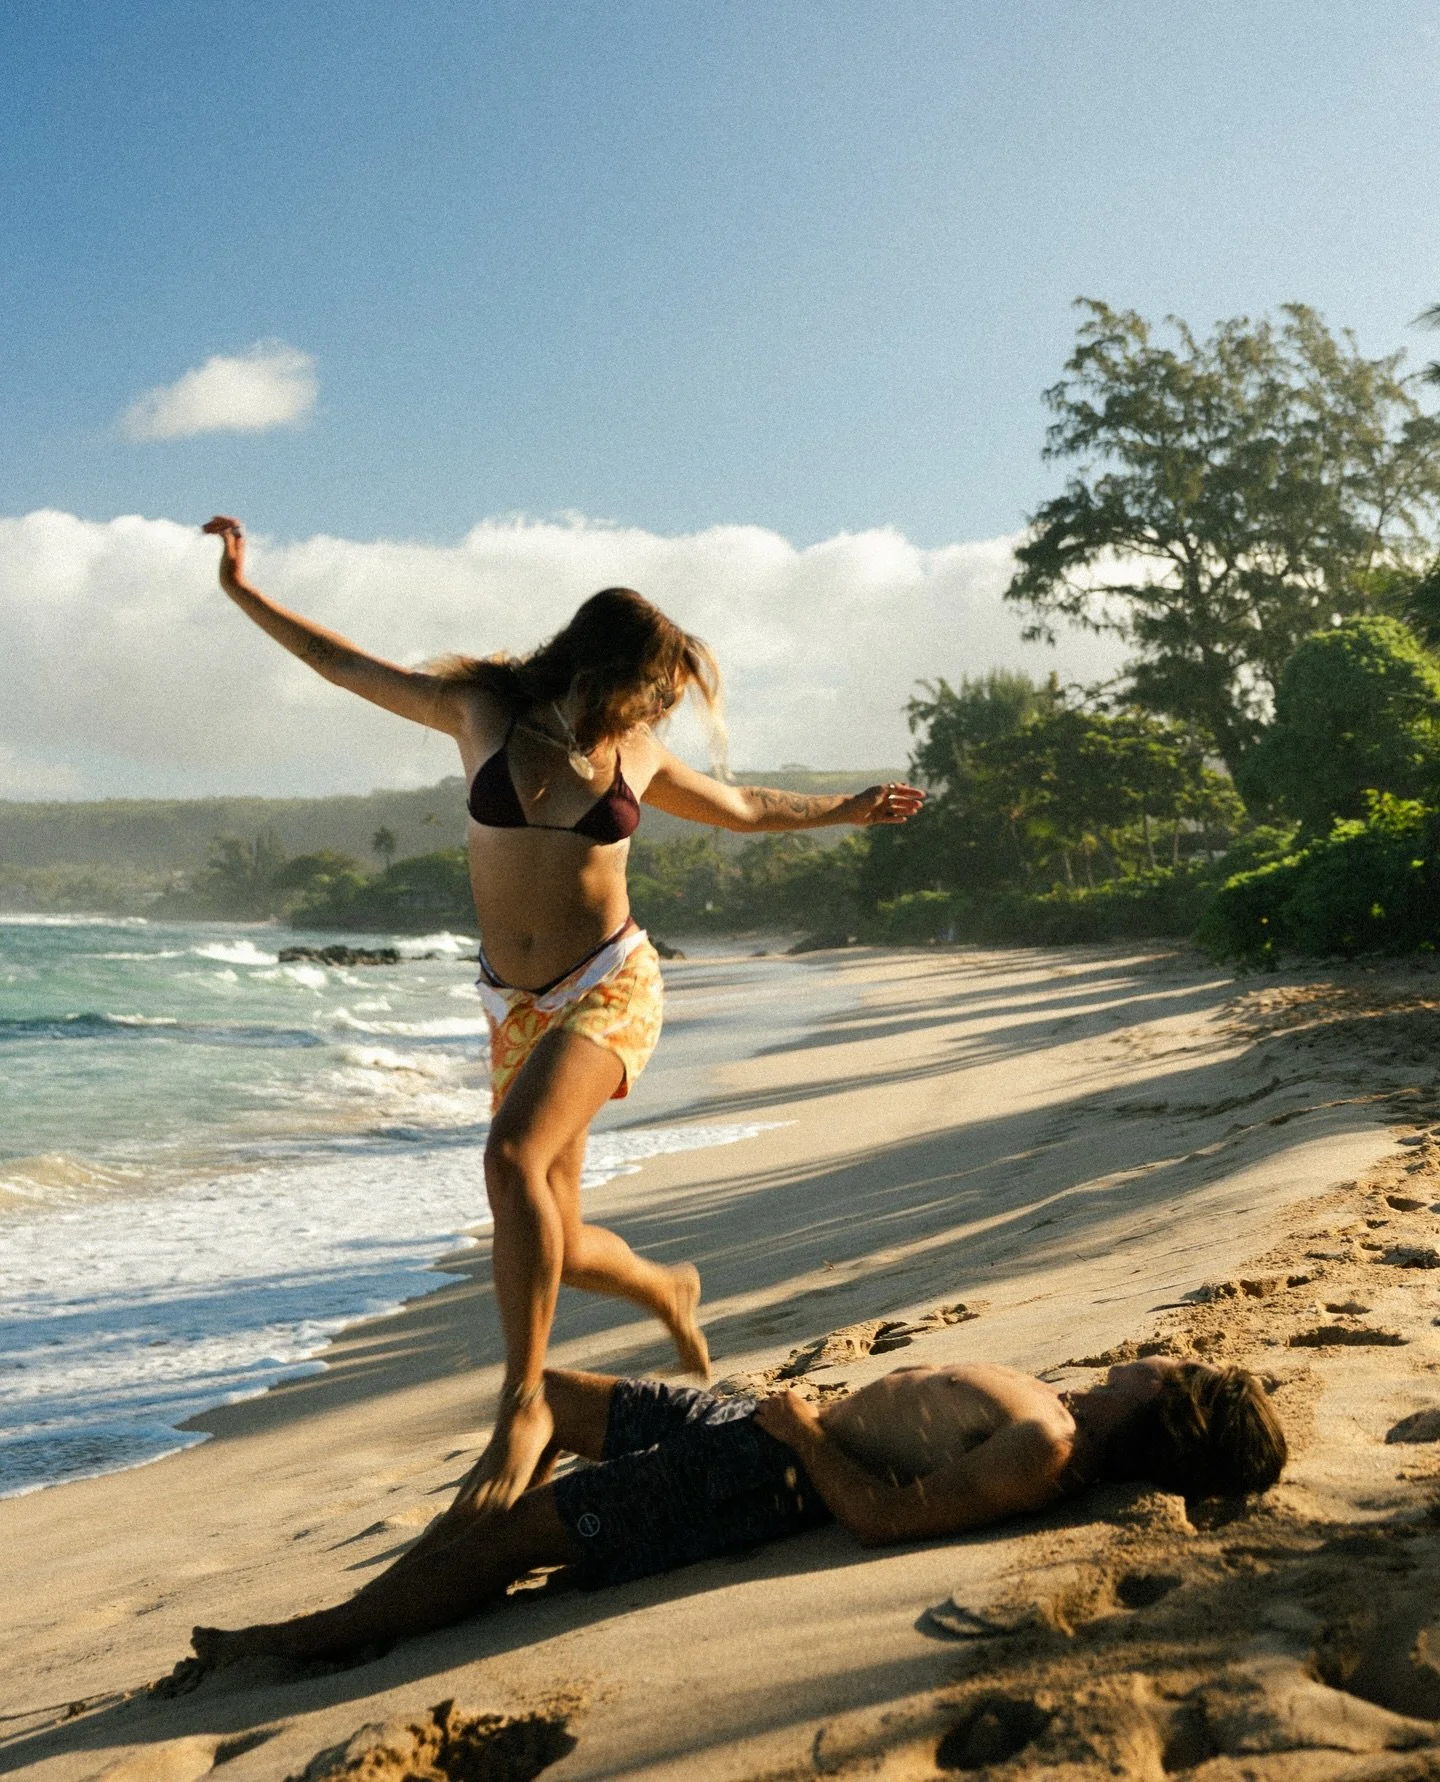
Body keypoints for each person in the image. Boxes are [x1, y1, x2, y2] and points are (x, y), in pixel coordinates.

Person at [201, 518, 925, 1515]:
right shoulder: (480, 711)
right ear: (604, 666)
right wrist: (242, 588)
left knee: (509, 1160)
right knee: (548, 1229)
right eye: (657, 688)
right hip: (512, 1008)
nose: (664, 707)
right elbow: (339, 665)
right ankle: (664, 1288)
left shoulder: (637, 754)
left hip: (610, 984)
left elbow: (746, 806)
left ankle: (524, 1405)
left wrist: (844, 809)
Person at [190, 1353, 1286, 1668]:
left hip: (760, 1477)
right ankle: (436, 1560)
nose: (1155, 1356)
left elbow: (882, 1522)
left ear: (1170, 1407)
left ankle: (322, 1635)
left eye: (1172, 1368)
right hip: (747, 1431)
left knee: (529, 1531)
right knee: (551, 1397)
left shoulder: (1048, 1448)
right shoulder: (1060, 1415)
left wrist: (803, 1431)